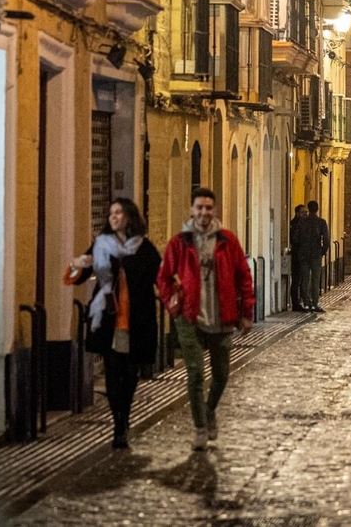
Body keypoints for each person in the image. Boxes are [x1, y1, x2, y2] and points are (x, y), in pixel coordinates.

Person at [156, 188, 255, 451]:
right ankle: (200, 426)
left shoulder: (228, 241)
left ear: (214, 211)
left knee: (221, 375)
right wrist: (172, 304)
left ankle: (209, 410)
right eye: (199, 207)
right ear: (191, 210)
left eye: (208, 208)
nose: (204, 213)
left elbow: (243, 277)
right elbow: (163, 277)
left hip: (222, 318)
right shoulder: (180, 243)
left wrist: (247, 313)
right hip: (189, 318)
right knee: (196, 373)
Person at [65, 198, 161, 449]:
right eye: (111, 213)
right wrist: (75, 266)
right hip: (109, 319)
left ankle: (124, 415)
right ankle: (119, 423)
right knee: (112, 370)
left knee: (130, 373)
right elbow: (83, 272)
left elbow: (160, 277)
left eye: (118, 212)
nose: (113, 217)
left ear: (130, 217)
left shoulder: (144, 248)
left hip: (136, 320)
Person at [287, 203, 307, 311]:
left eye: (306, 212)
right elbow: (294, 241)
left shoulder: (305, 224)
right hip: (297, 256)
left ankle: (301, 301)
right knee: (296, 280)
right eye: (303, 212)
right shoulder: (294, 225)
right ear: (297, 213)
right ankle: (295, 303)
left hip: (303, 256)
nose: (305, 214)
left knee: (302, 280)